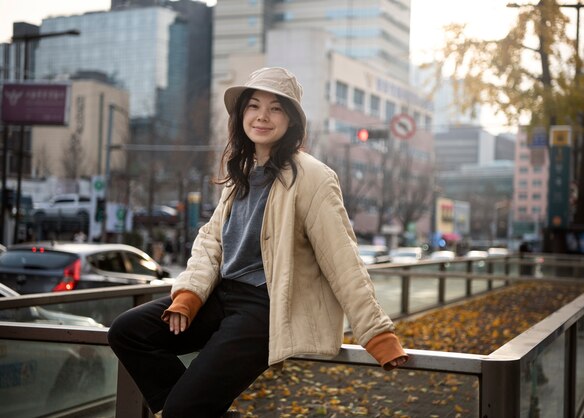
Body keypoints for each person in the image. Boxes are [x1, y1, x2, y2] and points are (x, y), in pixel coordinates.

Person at [107, 67, 408, 418]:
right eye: (253, 106)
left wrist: (377, 334)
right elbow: (211, 243)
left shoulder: (313, 177)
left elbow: (342, 259)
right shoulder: (241, 174)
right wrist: (188, 295)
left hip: (264, 307)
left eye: (276, 108)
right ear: (241, 116)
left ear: (292, 121)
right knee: (127, 332)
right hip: (222, 296)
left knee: (182, 411)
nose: (262, 116)